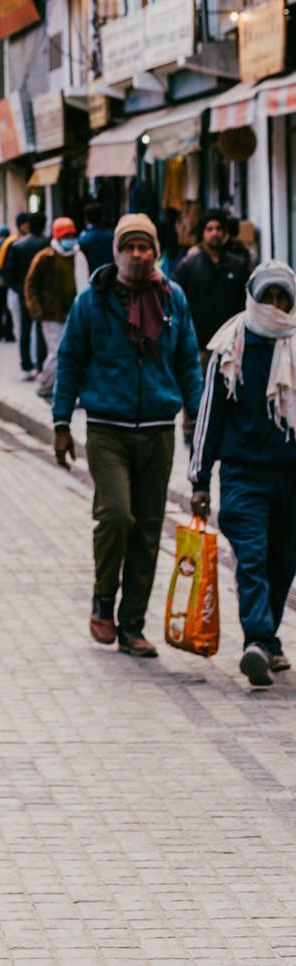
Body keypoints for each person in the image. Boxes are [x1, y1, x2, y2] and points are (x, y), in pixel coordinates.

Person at [52, 214, 203, 658]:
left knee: (149, 530)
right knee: (117, 515)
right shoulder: (92, 301)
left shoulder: (173, 298)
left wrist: (197, 416)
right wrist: (61, 423)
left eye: (145, 247)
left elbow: (188, 363)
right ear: (115, 252)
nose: (138, 255)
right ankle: (103, 601)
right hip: (107, 428)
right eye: (129, 247)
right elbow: (69, 360)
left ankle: (132, 624)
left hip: (158, 429)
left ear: (155, 251)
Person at [190, 261, 296, 690]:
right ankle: (257, 639)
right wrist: (199, 479)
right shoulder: (229, 347)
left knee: (283, 561)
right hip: (243, 475)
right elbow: (209, 415)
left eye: (282, 298)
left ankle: (267, 640)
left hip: (291, 477)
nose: (274, 305)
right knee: (251, 557)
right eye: (267, 296)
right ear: (253, 297)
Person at [175, 209, 248, 349]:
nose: (215, 233)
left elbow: (246, 301)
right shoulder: (188, 266)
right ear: (203, 233)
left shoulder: (237, 265)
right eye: (209, 229)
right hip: (199, 345)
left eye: (218, 229)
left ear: (224, 233)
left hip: (231, 344)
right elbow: (177, 301)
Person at [24, 217, 80, 398]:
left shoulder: (79, 257)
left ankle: (65, 387)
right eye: (66, 236)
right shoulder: (44, 257)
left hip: (73, 314)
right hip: (51, 314)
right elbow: (30, 285)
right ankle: (45, 385)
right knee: (57, 353)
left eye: (72, 235)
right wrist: (36, 309)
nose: (70, 239)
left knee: (72, 353)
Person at [2, 211, 50, 381]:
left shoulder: (18, 246)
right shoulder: (48, 245)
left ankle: (26, 365)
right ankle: (41, 364)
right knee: (41, 330)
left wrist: (19, 288)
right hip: (44, 293)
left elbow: (9, 273)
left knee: (25, 329)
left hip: (24, 292)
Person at [77, 200, 115, 276]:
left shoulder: (82, 239)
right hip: (109, 276)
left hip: (89, 277)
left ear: (86, 218)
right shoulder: (112, 237)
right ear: (102, 217)